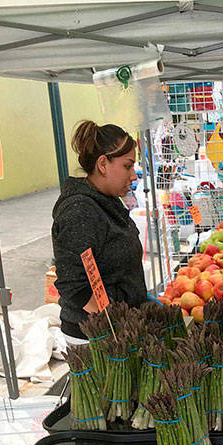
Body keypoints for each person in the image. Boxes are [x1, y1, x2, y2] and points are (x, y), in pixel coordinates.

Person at [52, 120, 147, 344]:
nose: (133, 176)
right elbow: (74, 285)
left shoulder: (108, 200)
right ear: (103, 164)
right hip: (94, 338)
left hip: (122, 327)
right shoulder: (79, 212)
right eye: (127, 166)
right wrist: (114, 321)